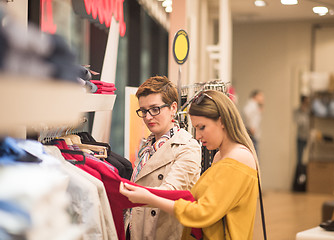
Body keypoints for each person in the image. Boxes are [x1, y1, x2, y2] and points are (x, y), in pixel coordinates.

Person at [120, 90, 260, 240]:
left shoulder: (237, 158)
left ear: (222, 121)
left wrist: (150, 198)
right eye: (196, 128)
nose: (198, 136)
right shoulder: (222, 155)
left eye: (202, 127)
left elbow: (202, 212)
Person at [125, 76, 202, 240]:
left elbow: (170, 192)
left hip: (162, 232)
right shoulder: (147, 145)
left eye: (154, 109)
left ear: (173, 108)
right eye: (144, 111)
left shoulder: (188, 147)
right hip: (137, 228)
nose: (148, 117)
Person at [292, 95, 310, 192]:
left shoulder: (309, 111)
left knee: (306, 161)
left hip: (308, 138)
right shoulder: (298, 111)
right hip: (300, 138)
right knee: (299, 161)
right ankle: (299, 182)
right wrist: (302, 112)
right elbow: (298, 122)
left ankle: (305, 181)